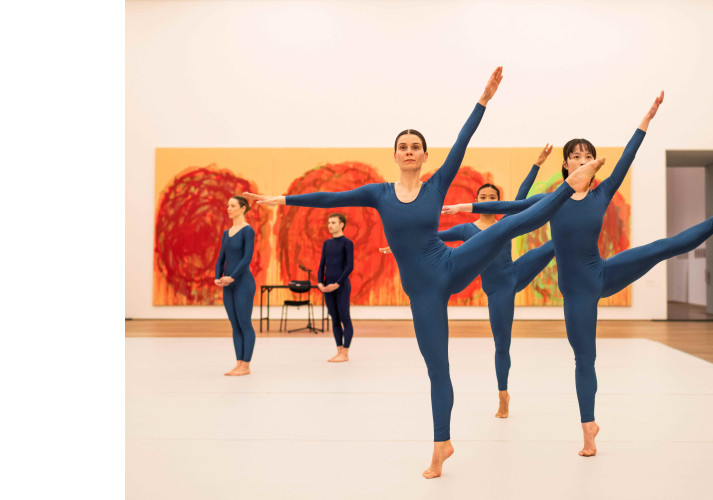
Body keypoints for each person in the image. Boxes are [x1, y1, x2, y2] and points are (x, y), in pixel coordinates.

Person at [242, 67, 606, 478]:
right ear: (395, 154)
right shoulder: (378, 194)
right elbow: (330, 197)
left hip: (450, 264)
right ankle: (442, 444)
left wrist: (483, 100)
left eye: (416, 146)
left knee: (508, 225)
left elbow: (464, 143)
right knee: (437, 369)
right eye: (404, 146)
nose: (410, 151)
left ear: (425, 155)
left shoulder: (436, 186)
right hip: (424, 292)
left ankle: (569, 186)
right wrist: (281, 199)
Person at [444, 91, 713, 457]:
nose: (582, 159)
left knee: (662, 247)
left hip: (602, 273)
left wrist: (647, 120)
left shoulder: (603, 192)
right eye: (575, 156)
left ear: (594, 163)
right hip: (576, 293)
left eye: (587, 155)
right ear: (565, 166)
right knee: (584, 359)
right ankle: (589, 428)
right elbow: (508, 205)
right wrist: (463, 206)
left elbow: (627, 156)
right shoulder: (551, 200)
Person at [436, 146, 556, 418]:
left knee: (556, 243)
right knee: (502, 344)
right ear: (476, 201)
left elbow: (522, 196)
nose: (488, 200)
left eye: (493, 197)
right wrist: (399, 246)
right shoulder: (466, 229)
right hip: (499, 291)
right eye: (483, 197)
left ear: (497, 202)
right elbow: (434, 237)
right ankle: (503, 395)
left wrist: (537, 164)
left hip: (516, 272)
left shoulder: (506, 221)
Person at [215, 195, 256, 377]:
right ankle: (238, 363)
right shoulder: (226, 233)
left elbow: (247, 258)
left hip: (243, 283)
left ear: (243, 208)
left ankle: (246, 365)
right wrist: (218, 277)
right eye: (228, 205)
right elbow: (221, 258)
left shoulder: (248, 231)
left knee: (245, 324)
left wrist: (232, 277)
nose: (228, 209)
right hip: (228, 284)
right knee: (235, 325)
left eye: (232, 206)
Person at [318, 213, 354, 362]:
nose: (330, 225)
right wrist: (320, 282)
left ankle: (345, 353)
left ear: (341, 225)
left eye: (333, 222)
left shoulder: (347, 243)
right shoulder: (327, 243)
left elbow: (349, 266)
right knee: (334, 319)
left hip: (341, 286)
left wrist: (337, 284)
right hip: (327, 287)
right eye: (329, 222)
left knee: (345, 318)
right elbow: (322, 265)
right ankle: (339, 351)